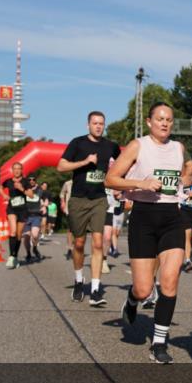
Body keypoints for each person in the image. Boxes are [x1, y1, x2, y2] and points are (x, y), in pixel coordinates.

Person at [106, 102, 192, 364]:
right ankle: (131, 300)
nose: (165, 123)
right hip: (144, 219)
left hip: (172, 218)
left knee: (170, 281)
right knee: (143, 289)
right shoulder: (138, 145)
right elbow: (111, 179)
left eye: (169, 120)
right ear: (149, 122)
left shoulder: (178, 148)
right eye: (160, 119)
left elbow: (185, 176)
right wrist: (141, 182)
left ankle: (159, 342)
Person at [58, 112, 120, 306]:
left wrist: (121, 186)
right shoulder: (77, 143)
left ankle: (95, 289)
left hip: (99, 199)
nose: (98, 127)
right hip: (78, 199)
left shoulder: (110, 146)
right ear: (88, 125)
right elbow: (61, 166)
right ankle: (78, 280)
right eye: (95, 123)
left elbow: (126, 163)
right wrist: (85, 162)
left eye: (101, 124)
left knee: (99, 242)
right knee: (78, 243)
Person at [0, 161, 35, 269]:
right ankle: (11, 256)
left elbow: (31, 195)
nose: (17, 171)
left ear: (21, 170)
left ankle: (15, 256)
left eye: (19, 168)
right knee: (13, 231)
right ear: (12, 170)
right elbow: (0, 187)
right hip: (12, 209)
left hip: (22, 210)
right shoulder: (8, 181)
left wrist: (21, 189)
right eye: (15, 169)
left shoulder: (25, 181)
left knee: (19, 234)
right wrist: (4, 195)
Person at [22, 175, 44, 263]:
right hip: (26, 216)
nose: (31, 181)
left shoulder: (40, 190)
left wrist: (44, 205)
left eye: (33, 179)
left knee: (35, 235)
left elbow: (45, 199)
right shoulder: (24, 190)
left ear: (35, 181)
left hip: (36, 215)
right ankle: (28, 253)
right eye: (29, 179)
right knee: (26, 237)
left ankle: (34, 248)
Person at [60, 178, 73, 260]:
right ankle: (69, 249)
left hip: (82, 209)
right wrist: (63, 202)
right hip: (70, 209)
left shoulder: (84, 182)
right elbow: (62, 194)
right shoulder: (68, 183)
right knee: (70, 230)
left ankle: (77, 247)